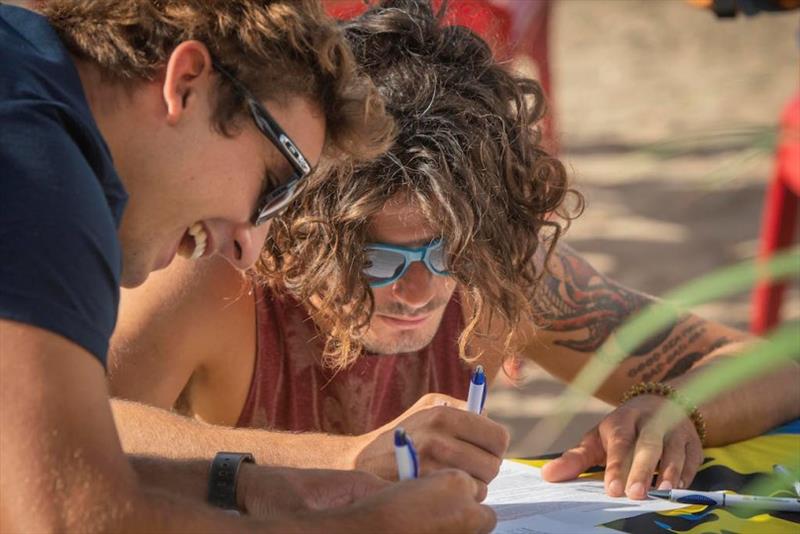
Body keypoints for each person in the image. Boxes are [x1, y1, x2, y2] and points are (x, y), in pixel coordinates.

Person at [108, 0, 800, 504]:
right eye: (376, 261)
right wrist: (343, 460)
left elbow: (774, 371)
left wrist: (675, 405)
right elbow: (70, 426)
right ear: (300, 232)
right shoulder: (221, 278)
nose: (419, 290)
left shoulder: (489, 270)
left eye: (444, 254)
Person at [0, 1, 497, 532]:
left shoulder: (28, 79)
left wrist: (249, 484)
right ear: (187, 82)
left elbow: (40, 466)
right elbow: (63, 516)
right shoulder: (36, 167)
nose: (249, 246)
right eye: (274, 184)